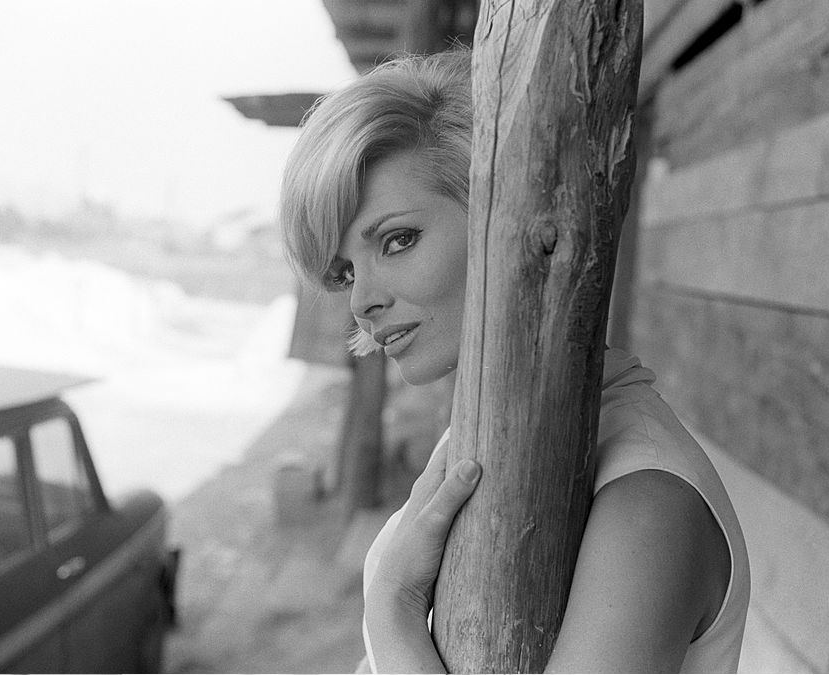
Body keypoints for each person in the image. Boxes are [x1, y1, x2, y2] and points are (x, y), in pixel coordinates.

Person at [278, 49, 750, 673]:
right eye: (344, 272)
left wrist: (390, 608)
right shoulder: (489, 432)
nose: (363, 299)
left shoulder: (648, 502)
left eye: (397, 240)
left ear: (506, 217)